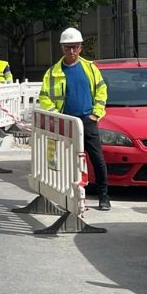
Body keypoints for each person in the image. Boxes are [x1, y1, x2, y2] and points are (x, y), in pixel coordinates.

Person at [37, 27, 111, 210]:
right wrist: (58, 117)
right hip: (65, 123)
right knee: (63, 160)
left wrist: (96, 113)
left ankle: (104, 196)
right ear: (62, 48)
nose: (72, 51)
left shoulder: (90, 68)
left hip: (88, 120)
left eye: (75, 47)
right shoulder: (53, 72)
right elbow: (44, 97)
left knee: (97, 159)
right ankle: (66, 195)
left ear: (80, 48)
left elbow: (102, 90)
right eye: (68, 47)